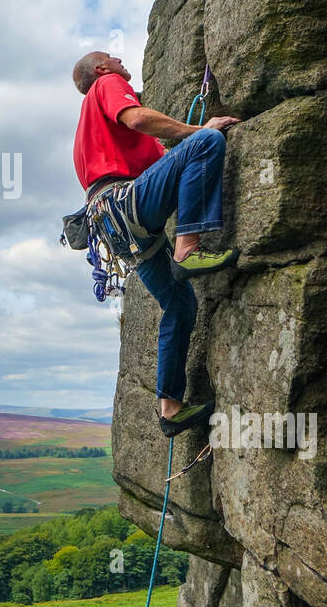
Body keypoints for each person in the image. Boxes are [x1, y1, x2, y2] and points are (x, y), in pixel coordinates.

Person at [72, 51, 240, 437]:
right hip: (122, 204)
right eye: (110, 57)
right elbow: (138, 118)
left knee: (180, 305)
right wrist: (199, 130)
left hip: (115, 229)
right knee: (208, 141)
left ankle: (170, 409)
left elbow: (166, 166)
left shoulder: (93, 133)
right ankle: (188, 248)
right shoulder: (108, 85)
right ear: (100, 69)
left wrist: (177, 147)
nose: (118, 58)